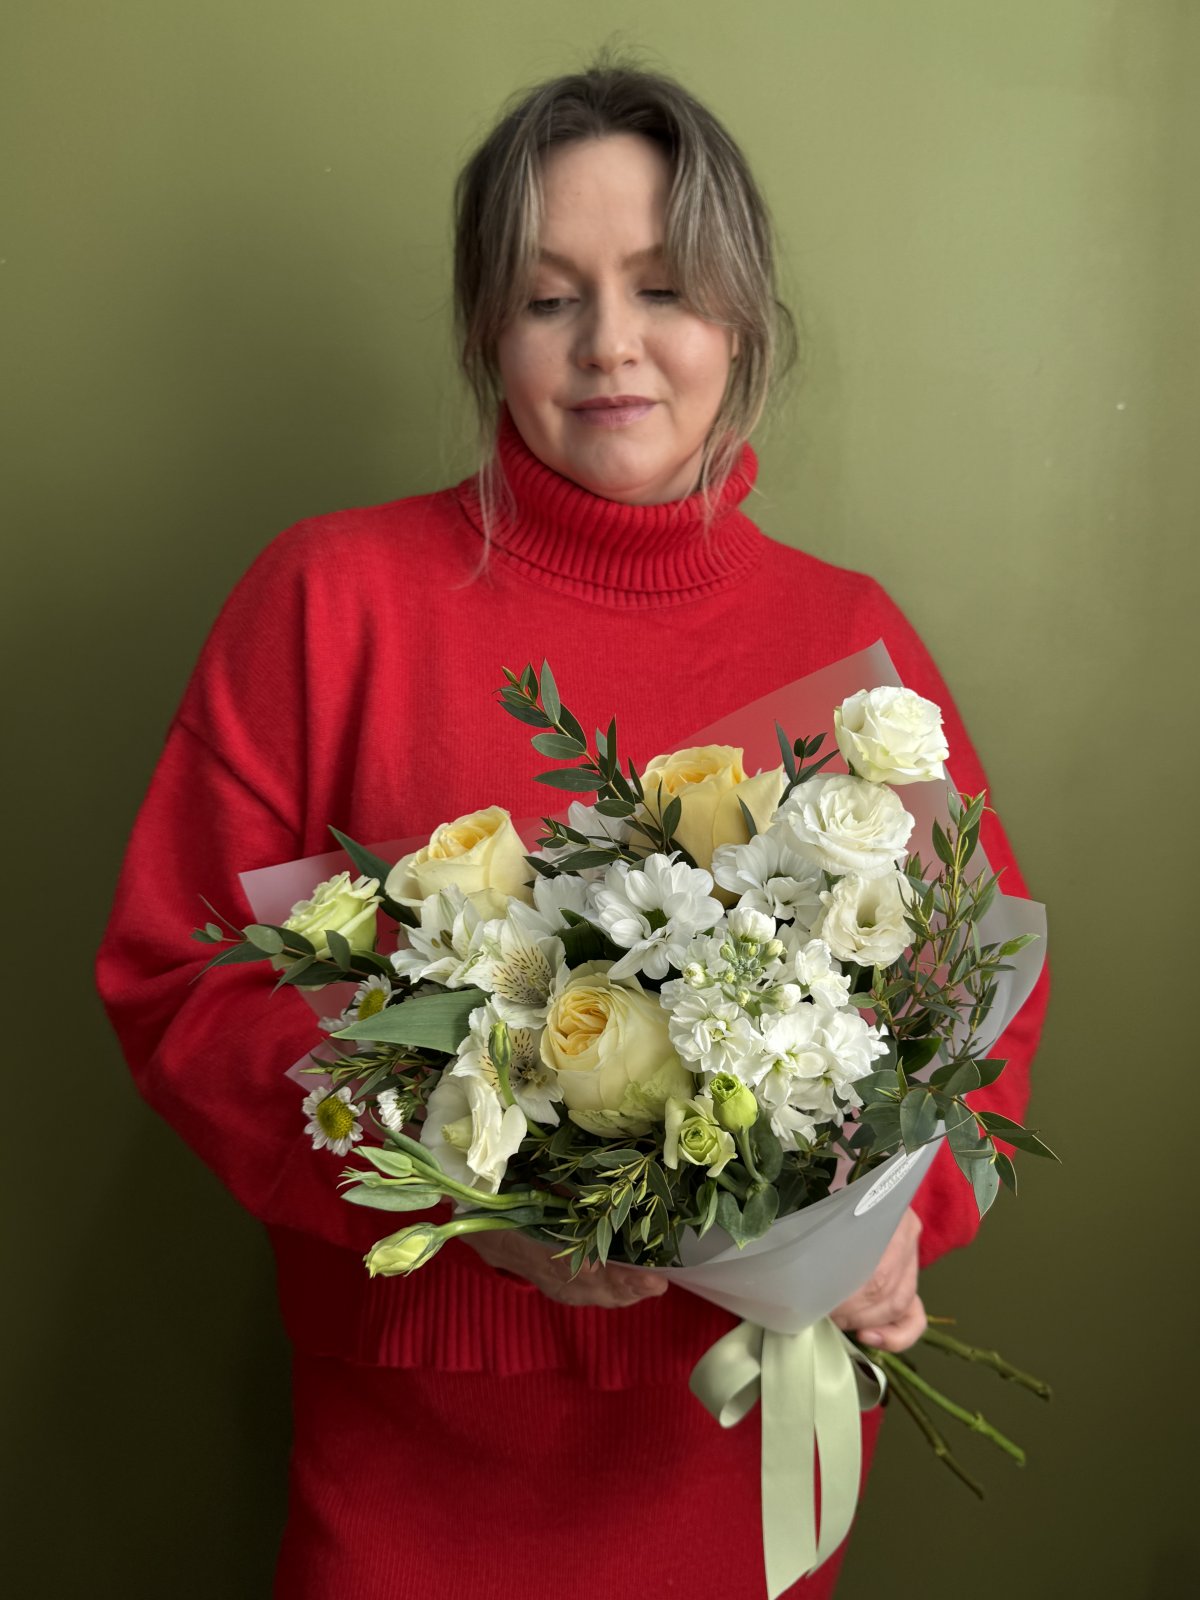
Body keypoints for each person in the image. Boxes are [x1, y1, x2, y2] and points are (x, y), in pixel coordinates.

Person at [97, 61, 1047, 1600]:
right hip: (410, 1471)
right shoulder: (331, 602)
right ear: (488, 328)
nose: (611, 343)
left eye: (663, 288)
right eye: (551, 299)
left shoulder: (846, 642)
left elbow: (977, 1009)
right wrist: (463, 1186)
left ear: (742, 319)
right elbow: (181, 974)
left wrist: (900, 1228)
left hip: (734, 1456)